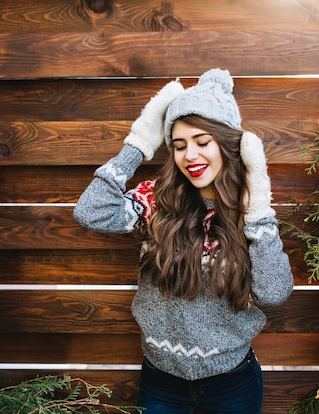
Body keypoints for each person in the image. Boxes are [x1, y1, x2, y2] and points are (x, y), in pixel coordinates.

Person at [74, 68, 293, 414]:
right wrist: (138, 144)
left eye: (202, 142)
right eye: (179, 145)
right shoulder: (156, 201)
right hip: (162, 383)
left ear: (227, 144)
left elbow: (274, 292)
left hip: (233, 382)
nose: (190, 155)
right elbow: (90, 212)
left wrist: (259, 198)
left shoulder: (250, 213)